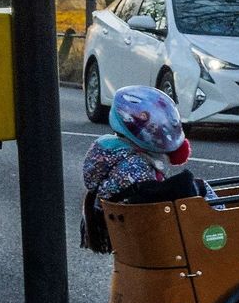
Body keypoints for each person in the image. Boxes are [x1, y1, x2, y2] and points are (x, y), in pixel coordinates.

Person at [81, 86, 212, 251]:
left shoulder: (110, 156)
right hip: (152, 244)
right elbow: (153, 203)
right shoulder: (135, 168)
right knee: (203, 192)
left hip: (130, 242)